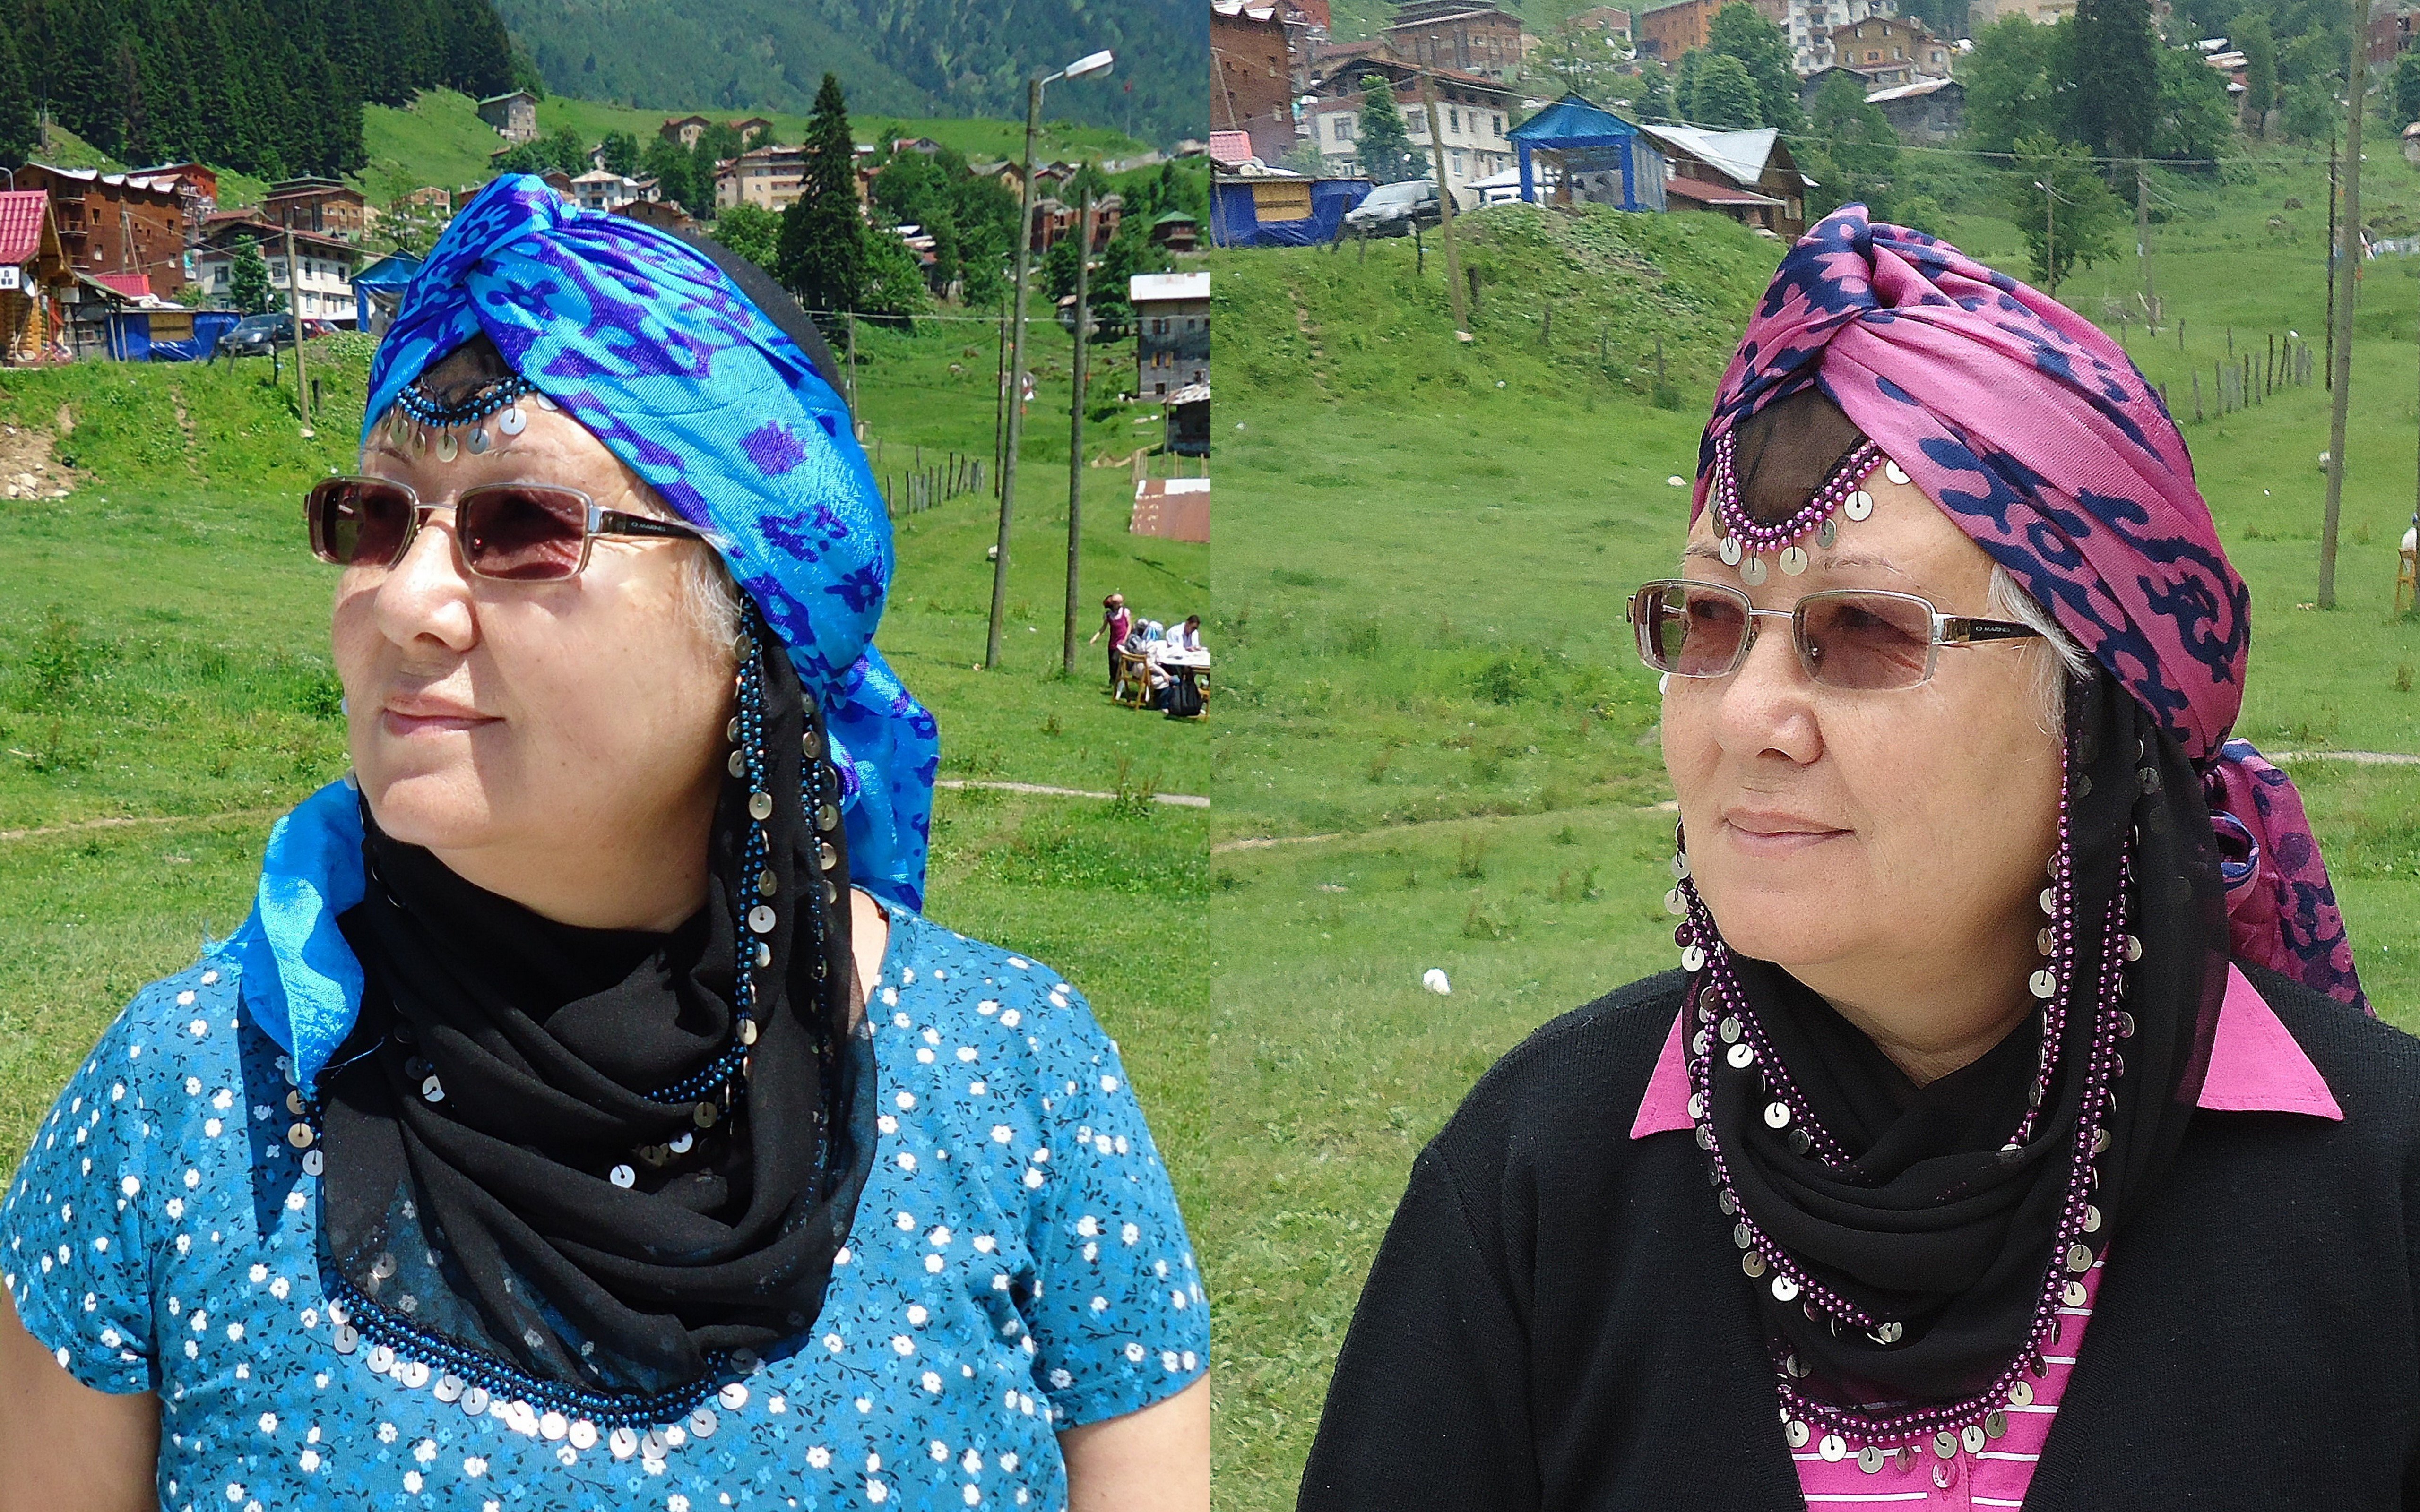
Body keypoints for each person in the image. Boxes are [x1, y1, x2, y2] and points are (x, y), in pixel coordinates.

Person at [0, 176, 1209, 1512]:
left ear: (753, 612)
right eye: (376, 516)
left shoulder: (1018, 1085)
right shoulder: (184, 1103)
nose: (405, 602)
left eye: (521, 526)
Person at [1299, 206, 2411, 1507]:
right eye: (1708, 620)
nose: (1748, 717)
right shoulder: (1540, 1175)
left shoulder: (2378, 1192)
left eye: (1866, 633)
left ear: (2096, 716)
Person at [1089, 592, 1133, 692]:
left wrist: (1126, 638)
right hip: (1113, 642)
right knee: (1112, 663)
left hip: (1122, 642)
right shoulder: (1109, 615)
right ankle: (1113, 681)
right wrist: (1095, 638)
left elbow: (1129, 626)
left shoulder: (1125, 612)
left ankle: (1119, 681)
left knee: (1116, 660)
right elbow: (1103, 628)